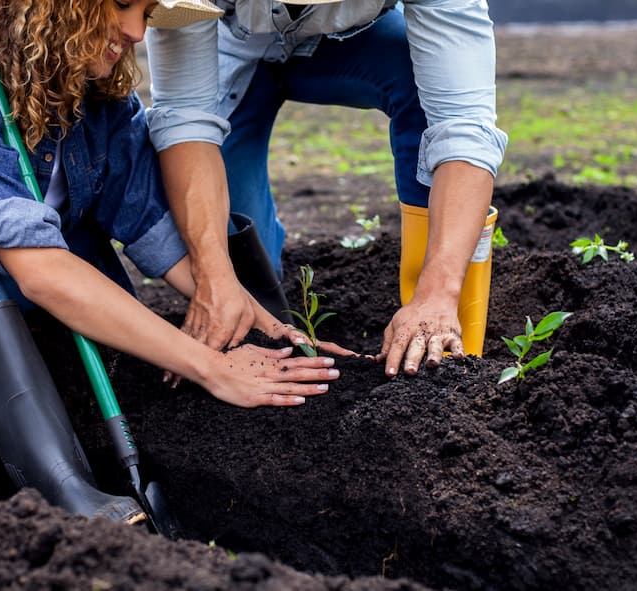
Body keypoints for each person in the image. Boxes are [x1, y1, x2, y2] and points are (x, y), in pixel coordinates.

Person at [0, 0, 342, 525]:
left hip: (7, 313)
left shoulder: (104, 104)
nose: (137, 31)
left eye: (147, 11)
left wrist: (266, 325)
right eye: (123, 4)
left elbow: (159, 236)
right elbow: (42, 272)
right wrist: (206, 366)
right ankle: (60, 486)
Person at [144, 0, 508, 377]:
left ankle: (444, 352)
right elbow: (185, 116)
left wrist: (439, 292)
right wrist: (212, 277)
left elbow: (464, 124)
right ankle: (253, 317)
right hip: (226, 49)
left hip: (347, 43)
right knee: (242, 284)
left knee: (420, 76)